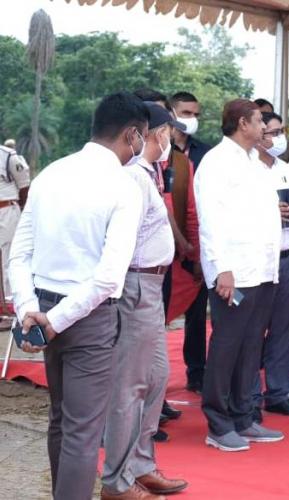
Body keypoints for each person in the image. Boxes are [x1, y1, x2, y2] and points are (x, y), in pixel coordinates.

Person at [8, 92, 145, 500]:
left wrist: (30, 310)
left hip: (45, 309)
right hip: (86, 316)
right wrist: (57, 318)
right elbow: (107, 278)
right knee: (82, 430)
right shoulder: (124, 186)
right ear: (132, 135)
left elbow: (20, 252)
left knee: (60, 421)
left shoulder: (52, 172)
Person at [101, 102, 188, 500]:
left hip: (150, 287)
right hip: (136, 286)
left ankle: (140, 465)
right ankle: (117, 481)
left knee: (154, 381)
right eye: (169, 130)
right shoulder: (133, 178)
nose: (171, 138)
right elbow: (122, 240)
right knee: (130, 388)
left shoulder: (148, 174)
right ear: (158, 132)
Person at [194, 99, 284, 452]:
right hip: (234, 272)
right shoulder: (217, 162)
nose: (265, 127)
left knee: (251, 345)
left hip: (261, 269)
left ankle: (243, 416)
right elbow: (211, 221)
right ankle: (217, 422)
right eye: (261, 121)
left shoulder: (254, 163)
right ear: (243, 123)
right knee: (227, 344)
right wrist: (222, 270)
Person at [251, 111, 289, 418]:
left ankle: (278, 392)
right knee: (252, 328)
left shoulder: (287, 169)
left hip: (288, 254)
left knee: (284, 328)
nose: (278, 137)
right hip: (260, 258)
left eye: (280, 131)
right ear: (257, 135)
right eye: (271, 132)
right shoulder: (247, 170)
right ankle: (249, 394)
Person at [170, 91, 212, 394]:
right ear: (171, 114)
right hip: (168, 248)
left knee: (197, 315)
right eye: (186, 113)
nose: (192, 120)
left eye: (196, 114)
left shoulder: (205, 153)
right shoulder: (159, 152)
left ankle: (197, 372)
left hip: (199, 243)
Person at [0, 139, 30, 301]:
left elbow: (24, 185)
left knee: (9, 256)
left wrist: (23, 209)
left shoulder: (7, 156)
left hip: (7, 209)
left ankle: (10, 302)